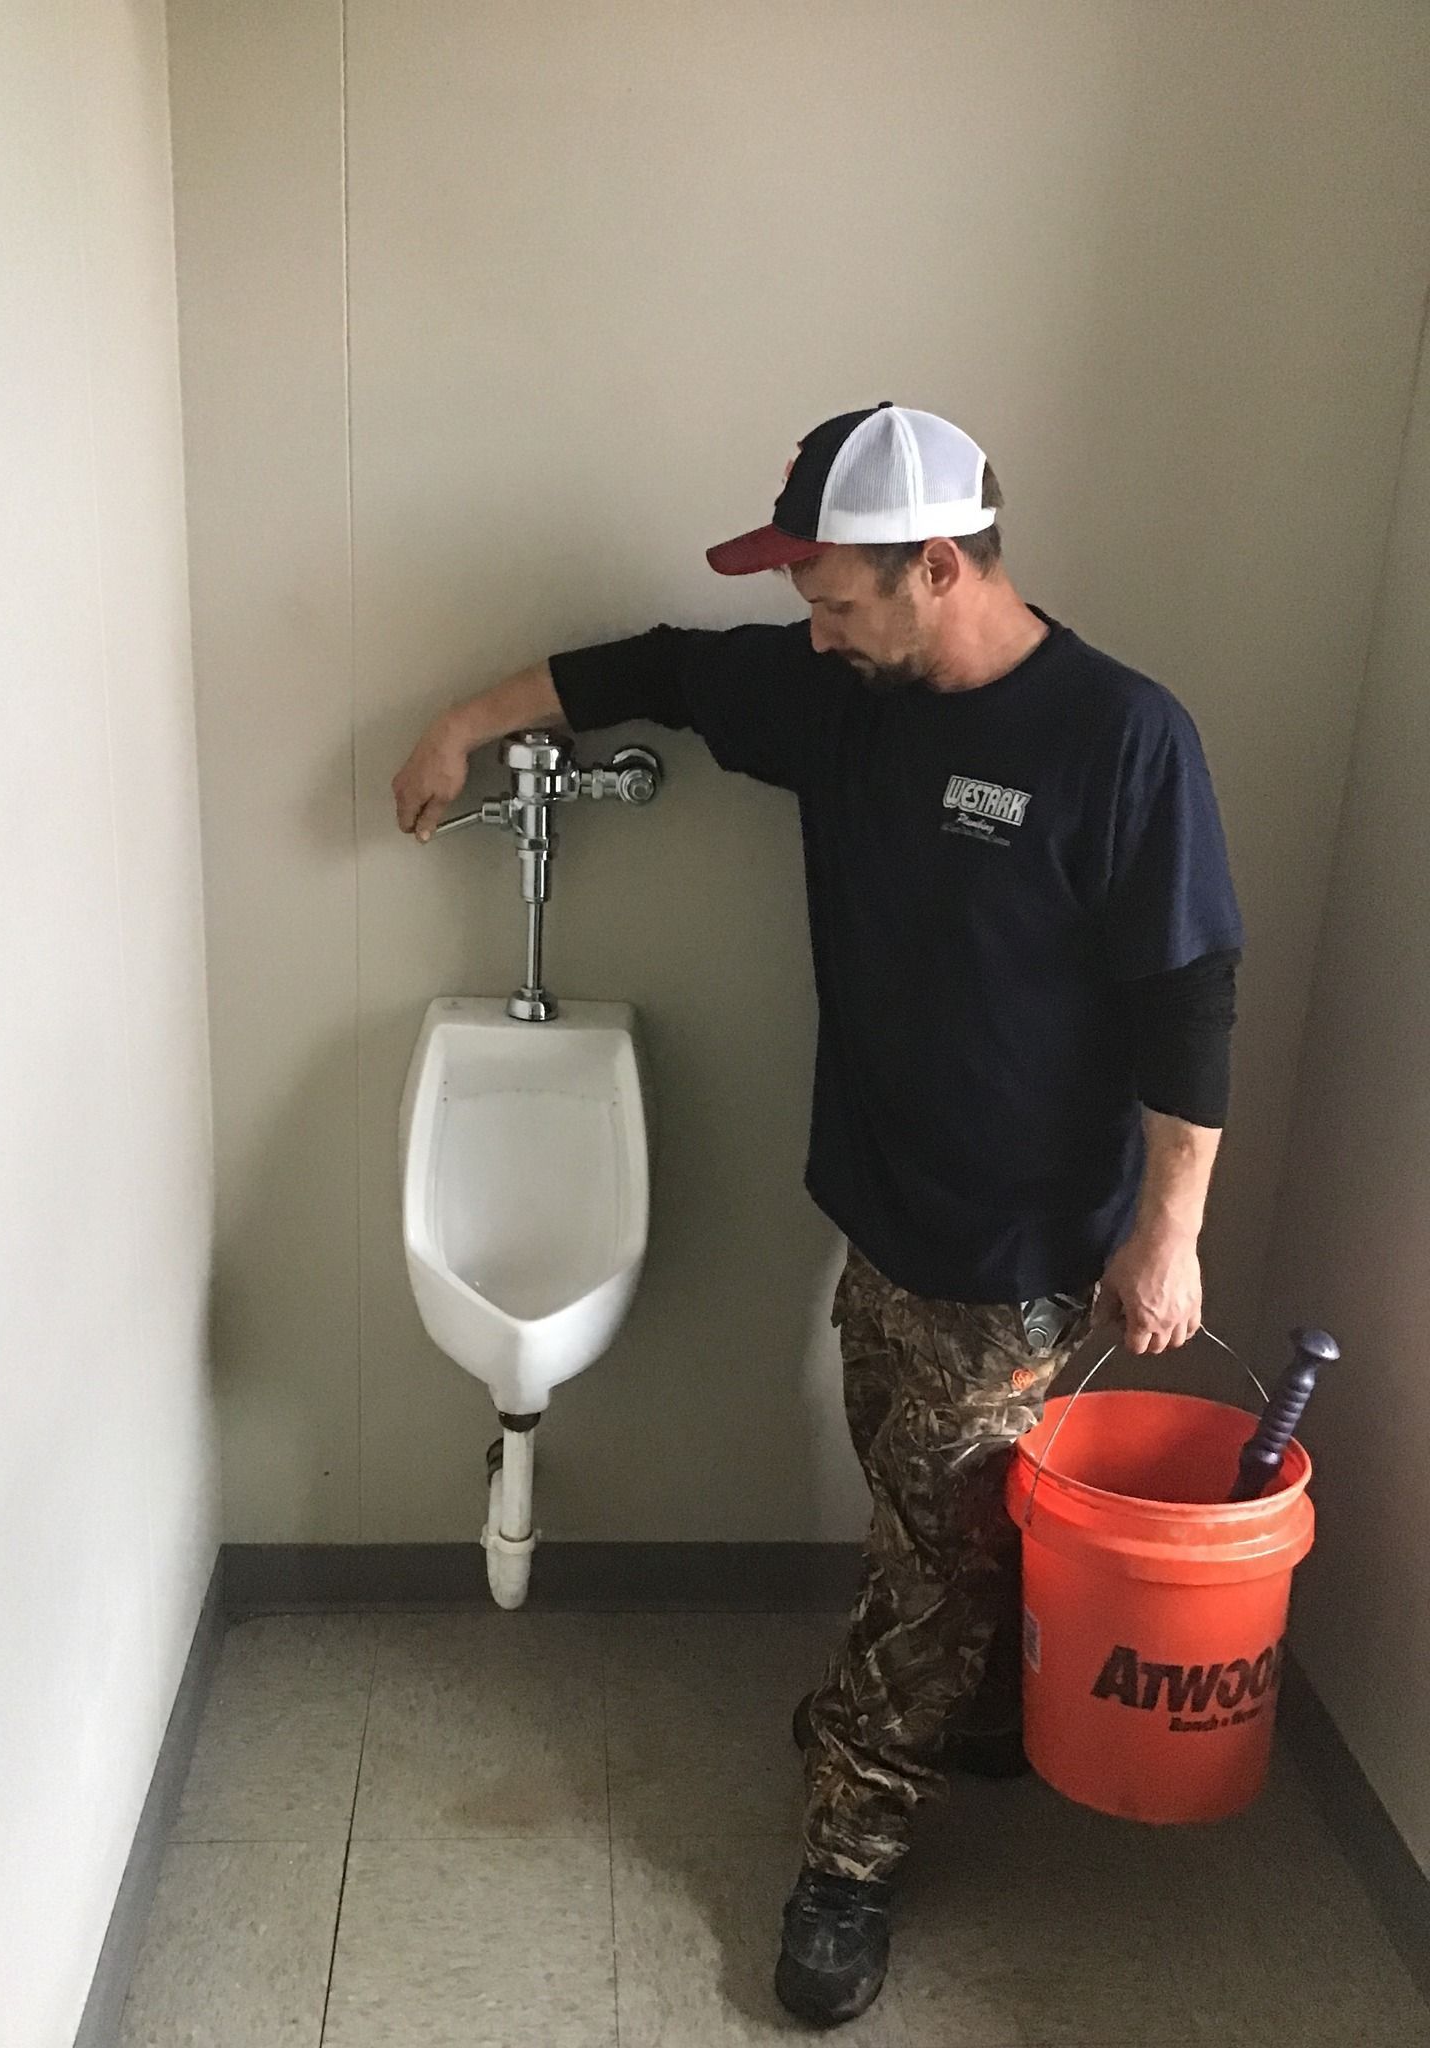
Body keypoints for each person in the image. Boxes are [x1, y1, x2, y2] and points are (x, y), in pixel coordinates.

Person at [391, 403, 1242, 2026]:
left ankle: (850, 1849)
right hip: (879, 1203)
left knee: (921, 1551)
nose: (812, 626)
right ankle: (971, 1708)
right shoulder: (846, 694)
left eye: (838, 597)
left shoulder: (1121, 737)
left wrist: (1173, 1225)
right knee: (929, 1499)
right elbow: (645, 665)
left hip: (1021, 1245)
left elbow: (1189, 990)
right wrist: (460, 724)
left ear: (939, 566)